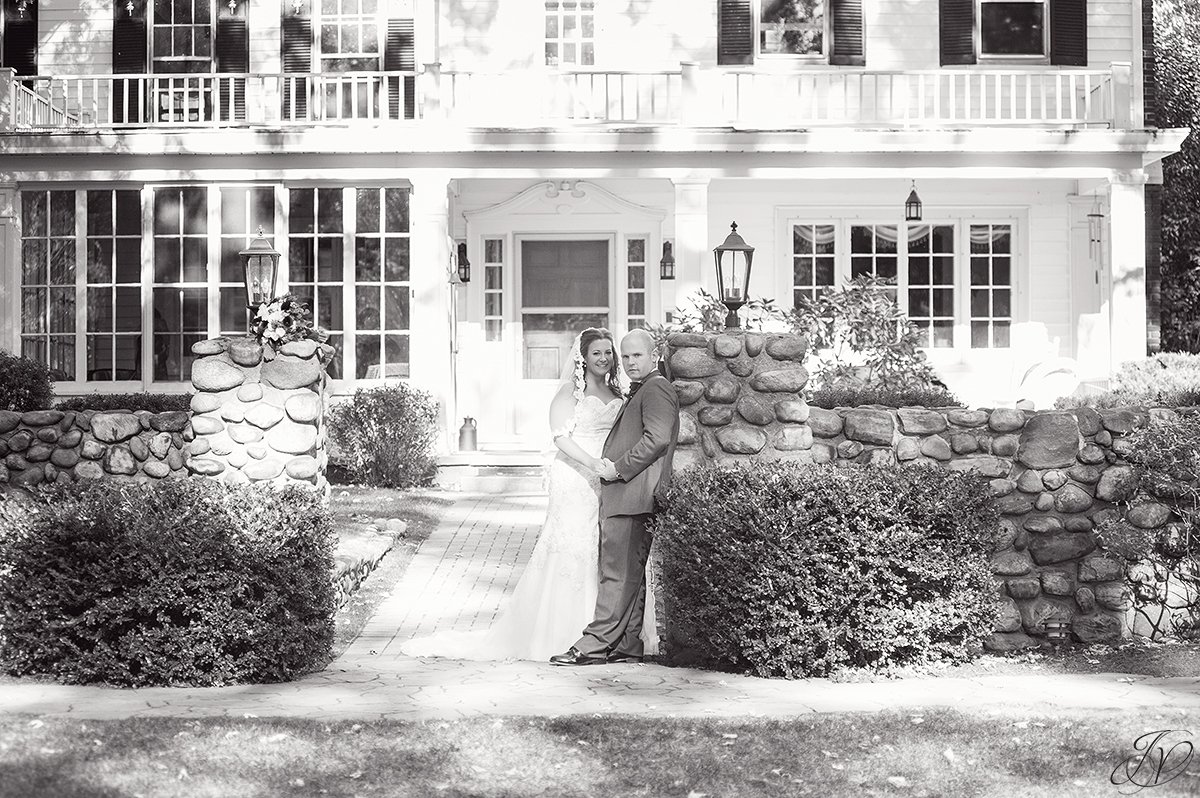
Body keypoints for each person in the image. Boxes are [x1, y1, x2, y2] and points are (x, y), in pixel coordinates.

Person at [401, 327, 658, 661]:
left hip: (610, 478)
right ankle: (564, 631)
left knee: (604, 551)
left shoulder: (620, 391)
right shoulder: (570, 393)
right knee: (572, 548)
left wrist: (612, 468)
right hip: (578, 476)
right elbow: (560, 437)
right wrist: (593, 464)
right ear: (583, 356)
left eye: (610, 352)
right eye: (598, 352)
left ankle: (606, 633)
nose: (605, 359)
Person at [550, 329, 680, 666]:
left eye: (637, 355)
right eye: (627, 356)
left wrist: (616, 469)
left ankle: (592, 646)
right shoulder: (643, 389)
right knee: (630, 576)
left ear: (655, 356)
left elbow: (657, 440)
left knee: (615, 575)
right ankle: (627, 645)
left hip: (631, 491)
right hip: (630, 494)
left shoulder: (656, 389)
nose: (630, 362)